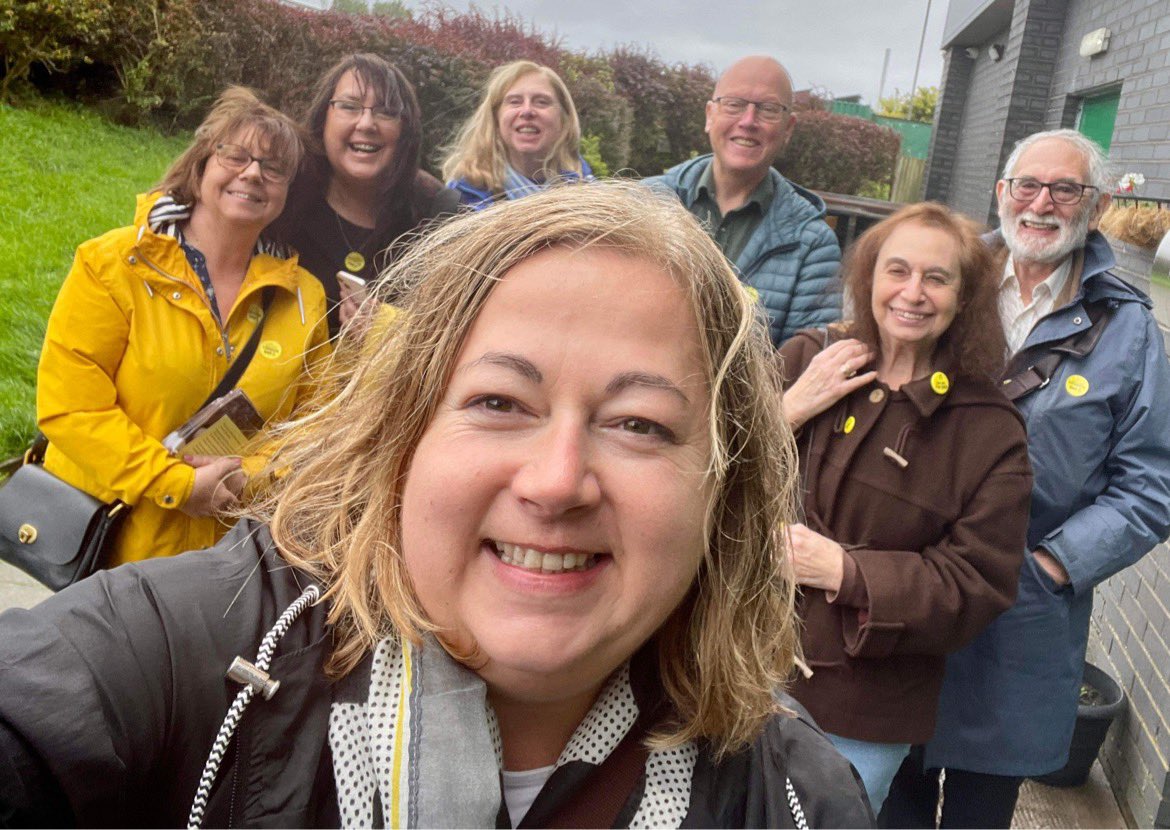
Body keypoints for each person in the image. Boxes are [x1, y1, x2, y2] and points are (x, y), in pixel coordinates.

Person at [0, 182, 872, 828]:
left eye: (640, 424)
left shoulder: (801, 803)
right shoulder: (187, 660)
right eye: (499, 402)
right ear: (402, 439)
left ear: (726, 485)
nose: (556, 480)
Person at [883, 130, 1170, 828]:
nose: (1043, 203)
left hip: (1024, 607)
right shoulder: (942, 281)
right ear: (1001, 193)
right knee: (895, 794)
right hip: (912, 591)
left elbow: (1151, 482)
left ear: (1095, 206)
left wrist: (1055, 565)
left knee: (984, 804)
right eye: (1028, 186)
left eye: (1065, 189)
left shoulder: (1128, 329)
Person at [776, 202, 1032, 813]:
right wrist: (787, 409)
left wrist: (846, 572)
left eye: (936, 278)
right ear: (869, 280)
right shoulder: (809, 357)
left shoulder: (988, 430)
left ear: (964, 297)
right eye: (898, 271)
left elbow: (979, 582)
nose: (912, 293)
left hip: (861, 711)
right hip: (737, 671)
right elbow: (700, 475)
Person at [33, 86, 329, 568]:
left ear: (287, 192)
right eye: (235, 155)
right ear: (201, 166)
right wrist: (177, 486)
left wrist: (248, 477)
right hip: (107, 550)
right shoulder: (115, 263)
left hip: (226, 564)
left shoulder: (304, 298)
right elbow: (71, 407)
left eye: (274, 168)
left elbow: (317, 427)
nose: (253, 173)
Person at [644, 55, 841, 347]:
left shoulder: (813, 244)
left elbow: (806, 369)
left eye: (769, 109)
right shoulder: (642, 204)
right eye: (734, 104)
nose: (748, 121)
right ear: (710, 115)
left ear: (788, 128)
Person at [270, 53, 460, 338]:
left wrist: (389, 330)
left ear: (405, 131)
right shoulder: (283, 192)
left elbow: (458, 327)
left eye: (385, 111)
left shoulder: (437, 214)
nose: (367, 123)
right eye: (350, 106)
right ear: (324, 118)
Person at [441, 60, 593, 210]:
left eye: (541, 102)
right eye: (515, 102)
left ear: (564, 118)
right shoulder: (461, 201)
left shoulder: (590, 202)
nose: (527, 111)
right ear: (495, 117)